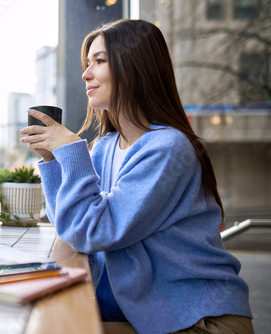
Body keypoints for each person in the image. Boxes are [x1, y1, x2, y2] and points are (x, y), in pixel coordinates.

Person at [20, 19, 253, 334]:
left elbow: (96, 231)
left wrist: (73, 151)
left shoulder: (168, 148)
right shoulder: (105, 147)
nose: (86, 74)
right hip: (148, 314)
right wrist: (52, 161)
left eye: (99, 61)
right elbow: (72, 225)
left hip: (199, 320)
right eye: (87, 63)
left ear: (134, 68)